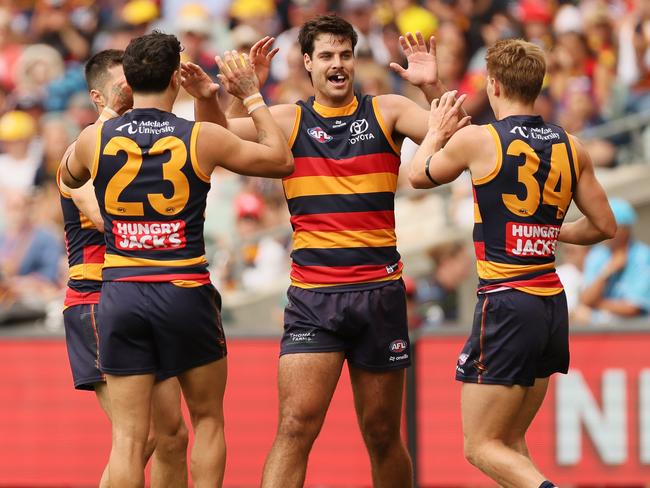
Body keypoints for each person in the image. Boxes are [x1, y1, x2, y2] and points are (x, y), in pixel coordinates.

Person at [188, 14, 469, 488]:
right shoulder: (286, 117)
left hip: (378, 295)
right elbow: (213, 137)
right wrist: (214, 95)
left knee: (382, 434)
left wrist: (433, 85)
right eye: (327, 56)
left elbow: (463, 143)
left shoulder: (390, 110)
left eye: (345, 55)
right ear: (307, 64)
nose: (337, 64)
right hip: (314, 298)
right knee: (295, 429)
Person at [60, 32, 293, 488]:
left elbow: (68, 173)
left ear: (127, 80)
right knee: (206, 420)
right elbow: (280, 160)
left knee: (128, 438)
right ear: (175, 79)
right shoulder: (200, 137)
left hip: (121, 293)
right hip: (184, 289)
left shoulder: (95, 138)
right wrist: (251, 95)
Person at [408, 38, 616, 487]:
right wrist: (550, 231)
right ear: (538, 87)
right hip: (550, 305)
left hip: (506, 303)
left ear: (494, 85)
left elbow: (418, 174)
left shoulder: (478, 141)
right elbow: (604, 225)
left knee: (480, 446)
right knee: (510, 443)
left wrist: (433, 134)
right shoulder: (571, 145)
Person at [57, 49, 189, 488]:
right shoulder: (85, 148)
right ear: (99, 96)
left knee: (173, 435)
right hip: (95, 298)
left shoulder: (144, 141)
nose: (134, 91)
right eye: (122, 85)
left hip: (139, 292)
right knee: (140, 434)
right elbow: (103, 217)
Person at [578, 198, 650, 323]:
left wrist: (596, 303)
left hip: (634, 332)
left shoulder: (643, 256)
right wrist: (607, 272)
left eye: (609, 225)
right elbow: (586, 300)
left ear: (626, 230)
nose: (602, 230)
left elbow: (634, 309)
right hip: (599, 332)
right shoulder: (597, 255)